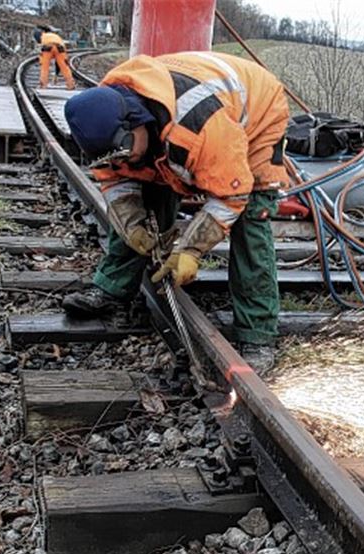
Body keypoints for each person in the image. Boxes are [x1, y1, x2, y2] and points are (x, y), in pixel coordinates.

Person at [61, 51, 290, 369]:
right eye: (113, 157)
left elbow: (231, 196)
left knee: (251, 216)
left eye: (124, 151)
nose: (122, 161)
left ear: (135, 120)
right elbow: (115, 182)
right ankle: (113, 288)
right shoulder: (103, 118)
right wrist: (133, 226)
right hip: (187, 121)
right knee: (148, 184)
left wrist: (191, 250)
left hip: (256, 111)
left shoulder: (199, 125)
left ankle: (257, 334)